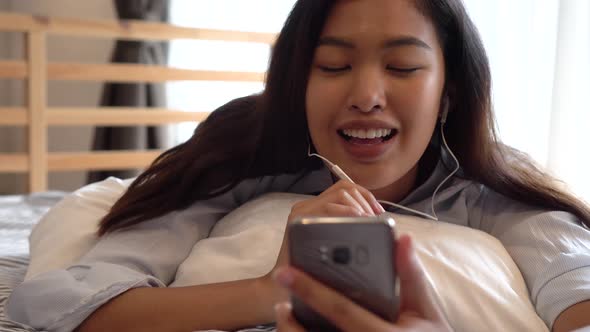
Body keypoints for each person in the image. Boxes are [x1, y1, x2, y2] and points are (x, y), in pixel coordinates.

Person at [6, 0, 590, 331]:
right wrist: (274, 290)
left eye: (403, 68)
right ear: (297, 83)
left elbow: (574, 281)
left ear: (450, 92)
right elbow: (61, 303)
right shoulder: (240, 159)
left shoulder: (491, 186)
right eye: (332, 66)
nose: (366, 95)